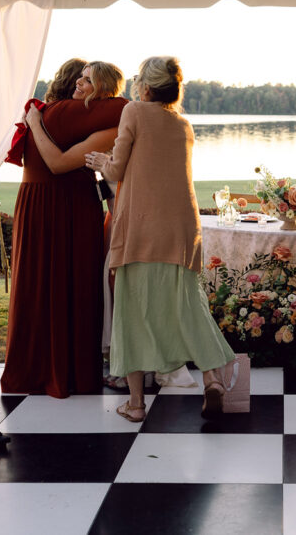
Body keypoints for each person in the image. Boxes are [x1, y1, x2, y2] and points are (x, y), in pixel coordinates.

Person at [85, 56, 236, 421]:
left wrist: (100, 161)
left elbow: (118, 168)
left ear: (146, 87)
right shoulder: (183, 123)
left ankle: (136, 404)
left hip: (141, 228)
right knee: (189, 306)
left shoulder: (134, 112)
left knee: (133, 313)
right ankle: (213, 380)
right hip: (182, 229)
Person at [0, 61, 128, 397]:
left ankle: (56, 369)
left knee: (64, 282)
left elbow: (57, 163)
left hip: (56, 202)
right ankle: (52, 369)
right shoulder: (71, 115)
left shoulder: (79, 117)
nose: (79, 84)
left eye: (88, 81)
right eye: (79, 78)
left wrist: (34, 121)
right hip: (58, 204)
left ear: (103, 90)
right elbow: (57, 164)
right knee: (48, 282)